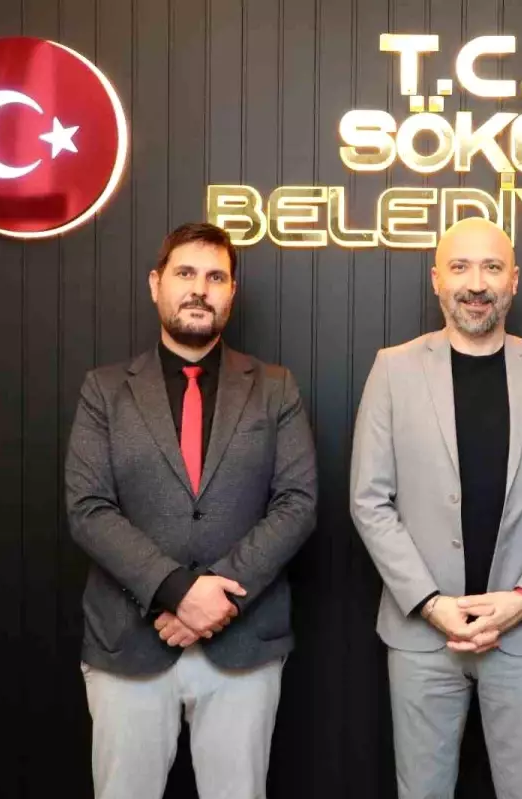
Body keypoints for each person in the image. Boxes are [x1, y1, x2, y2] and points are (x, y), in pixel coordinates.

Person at [350, 217, 522, 799]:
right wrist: (430, 603)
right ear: (436, 279)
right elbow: (369, 499)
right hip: (422, 634)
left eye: (492, 267)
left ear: (514, 279)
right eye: (460, 267)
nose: (476, 283)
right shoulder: (393, 369)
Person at [65, 222, 318, 799]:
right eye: (185, 273)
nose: (199, 289)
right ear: (156, 284)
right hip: (128, 642)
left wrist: (216, 602)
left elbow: (297, 504)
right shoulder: (104, 390)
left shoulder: (275, 388)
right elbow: (88, 508)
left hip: (243, 645)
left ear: (232, 291)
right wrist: (178, 591)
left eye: (215, 277)